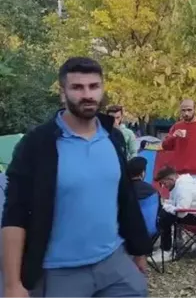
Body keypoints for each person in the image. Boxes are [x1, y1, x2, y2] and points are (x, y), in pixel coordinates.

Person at [2, 57, 151, 298]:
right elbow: (14, 213)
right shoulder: (38, 144)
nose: (87, 94)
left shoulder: (113, 138)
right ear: (63, 93)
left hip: (114, 264)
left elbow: (125, 198)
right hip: (59, 273)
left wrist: (139, 249)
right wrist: (11, 285)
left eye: (93, 86)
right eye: (77, 87)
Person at [153, 166, 196, 262]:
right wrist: (166, 205)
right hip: (194, 212)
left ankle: (166, 250)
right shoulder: (178, 184)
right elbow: (175, 203)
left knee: (165, 217)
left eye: (163, 183)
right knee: (164, 212)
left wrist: (166, 207)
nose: (164, 186)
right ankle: (165, 247)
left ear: (171, 179)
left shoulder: (183, 187)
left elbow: (181, 212)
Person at [161, 99, 196, 189]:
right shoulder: (177, 126)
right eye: (183, 110)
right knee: (181, 202)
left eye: (189, 110)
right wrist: (173, 136)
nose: (186, 113)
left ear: (195, 109)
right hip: (179, 174)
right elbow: (165, 146)